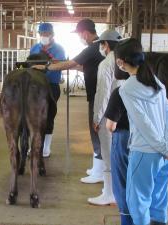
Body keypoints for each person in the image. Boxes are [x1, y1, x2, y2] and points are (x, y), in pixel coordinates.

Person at [33, 18, 105, 183]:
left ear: (85, 33)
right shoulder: (98, 47)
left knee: (96, 131)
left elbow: (70, 63)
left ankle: (99, 172)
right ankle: (97, 167)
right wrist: (70, 65)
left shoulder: (93, 48)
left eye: (80, 34)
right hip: (98, 94)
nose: (80, 37)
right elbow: (81, 66)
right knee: (97, 131)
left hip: (98, 96)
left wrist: (46, 67)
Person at [116, 38, 168, 225]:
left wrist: (164, 147)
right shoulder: (157, 82)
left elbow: (143, 124)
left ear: (121, 62)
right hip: (165, 154)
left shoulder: (127, 88)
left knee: (137, 202)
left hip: (144, 152)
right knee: (158, 199)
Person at [88, 29, 122, 205]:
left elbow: (102, 93)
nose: (101, 47)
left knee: (108, 156)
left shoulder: (106, 63)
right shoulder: (124, 60)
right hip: (124, 116)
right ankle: (119, 191)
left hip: (108, 115)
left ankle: (109, 194)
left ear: (106, 45)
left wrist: (96, 118)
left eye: (101, 44)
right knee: (122, 154)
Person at [30, 22, 66, 157]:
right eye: (41, 34)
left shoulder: (59, 49)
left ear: (52, 35)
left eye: (46, 34)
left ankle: (46, 147)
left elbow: (62, 64)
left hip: (51, 85)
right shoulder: (34, 48)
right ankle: (34, 144)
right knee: (33, 116)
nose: (44, 36)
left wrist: (50, 62)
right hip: (34, 87)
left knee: (49, 115)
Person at [105, 69, 132, 224]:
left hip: (124, 138)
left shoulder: (121, 91)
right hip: (148, 141)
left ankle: (127, 221)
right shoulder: (157, 88)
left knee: (122, 185)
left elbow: (111, 125)